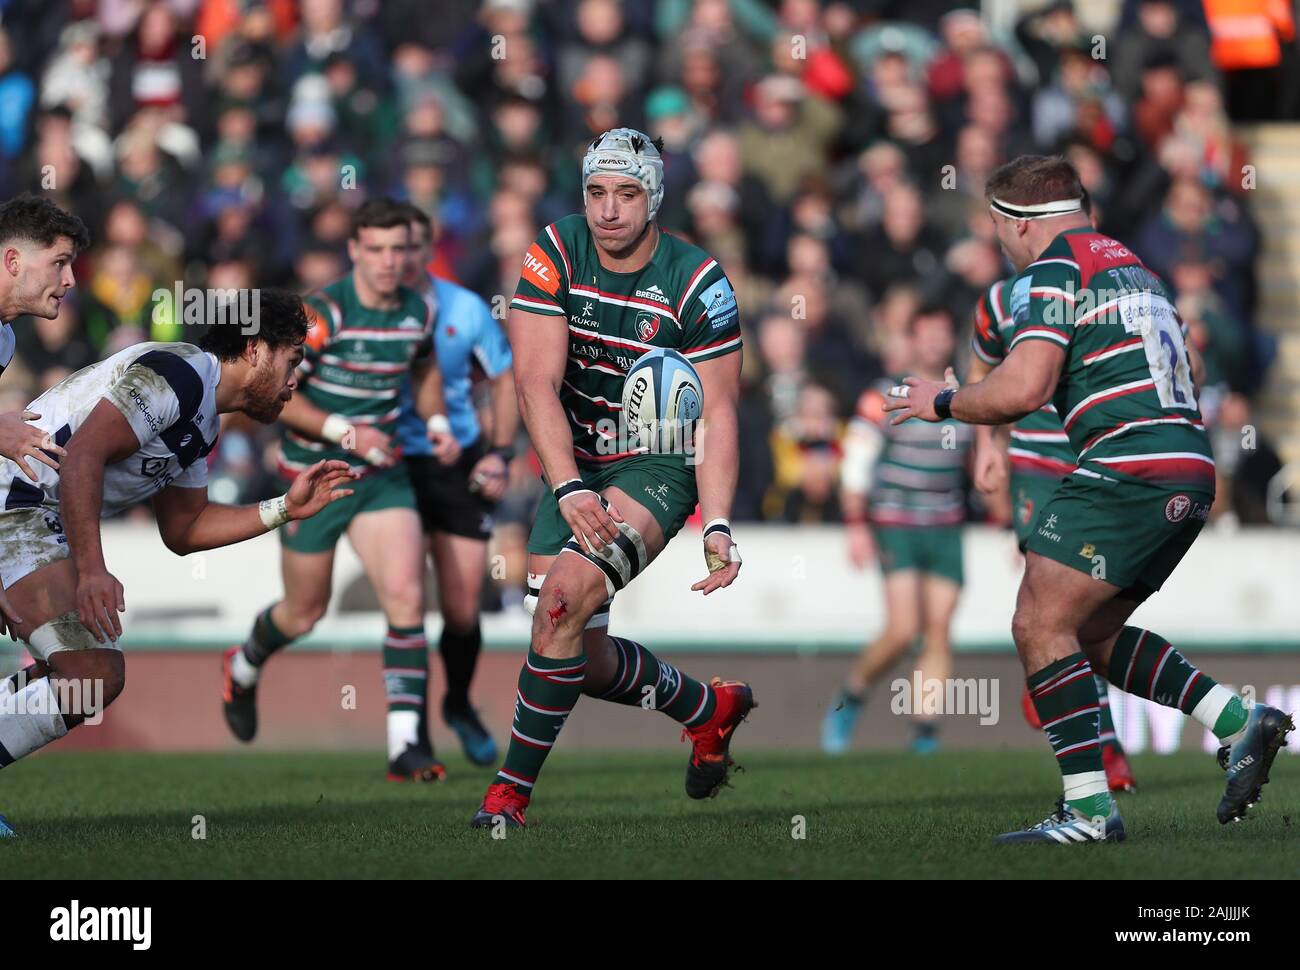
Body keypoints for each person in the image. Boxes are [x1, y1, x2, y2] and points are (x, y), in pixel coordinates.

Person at [884, 155, 1292, 843]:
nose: (998, 242)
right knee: (1091, 635)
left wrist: (944, 401)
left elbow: (1024, 388)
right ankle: (1236, 720)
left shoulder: (1052, 269)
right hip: (1186, 466)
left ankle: (1089, 812)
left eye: (995, 226)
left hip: (1128, 467)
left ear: (1016, 224)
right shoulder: (1137, 267)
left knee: (1038, 625)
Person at [470, 128, 752, 829]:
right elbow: (536, 382)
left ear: (653, 197)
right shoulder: (554, 250)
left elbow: (717, 411)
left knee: (560, 601)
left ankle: (508, 796)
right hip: (575, 460)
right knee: (572, 650)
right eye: (597, 192)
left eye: (626, 194)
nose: (608, 210)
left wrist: (715, 522)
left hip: (657, 461)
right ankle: (705, 709)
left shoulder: (699, 283)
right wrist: (567, 487)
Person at [0, 290, 354, 837]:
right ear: (256, 349)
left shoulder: (204, 418)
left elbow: (184, 531)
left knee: (88, 676)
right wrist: (93, 570)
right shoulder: (180, 373)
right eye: (292, 361)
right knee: (90, 676)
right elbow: (84, 458)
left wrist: (285, 507)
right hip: (16, 503)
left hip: (36, 516)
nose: (293, 383)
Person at [221, 199, 462, 782]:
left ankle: (406, 745)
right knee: (304, 614)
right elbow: (273, 392)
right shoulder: (321, 314)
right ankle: (245, 664)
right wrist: (346, 431)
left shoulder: (418, 311)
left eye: (399, 249)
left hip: (381, 478)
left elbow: (424, 371)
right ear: (354, 250)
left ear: (413, 252)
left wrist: (436, 425)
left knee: (406, 596)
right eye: (375, 249)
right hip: (313, 479)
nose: (387, 261)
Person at [968, 270, 1138, 793]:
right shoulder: (1000, 301)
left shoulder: (1108, 295)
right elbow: (983, 365)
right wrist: (988, 447)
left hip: (1095, 461)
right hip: (1036, 464)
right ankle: (1104, 750)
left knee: (1081, 610)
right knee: (1057, 598)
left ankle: (1042, 675)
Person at [393, 203, 517, 766]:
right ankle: (410, 736)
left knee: (463, 606)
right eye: (395, 246)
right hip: (391, 462)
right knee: (407, 599)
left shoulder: (465, 308)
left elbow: (505, 377)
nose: (404, 257)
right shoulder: (363, 309)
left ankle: (459, 704)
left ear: (429, 248)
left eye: (415, 245)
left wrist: (500, 453)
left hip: (456, 462)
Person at [821, 305, 972, 755]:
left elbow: (980, 457)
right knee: (903, 629)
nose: (933, 343)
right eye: (924, 335)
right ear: (911, 339)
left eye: (941, 334)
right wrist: (856, 525)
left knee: (941, 628)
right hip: (896, 520)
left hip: (946, 521)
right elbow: (856, 460)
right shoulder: (886, 394)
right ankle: (852, 693)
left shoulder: (966, 396)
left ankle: (924, 730)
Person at [0, 196, 91, 629]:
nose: (70, 279)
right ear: (13, 260)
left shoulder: (5, 340)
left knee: (94, 675)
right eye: (59, 263)